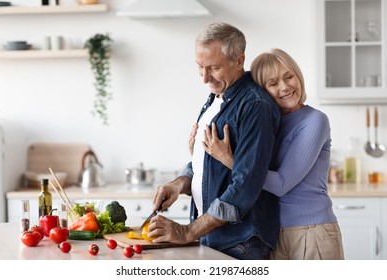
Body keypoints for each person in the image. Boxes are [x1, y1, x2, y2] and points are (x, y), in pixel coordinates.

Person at [147, 22, 281, 260]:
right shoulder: (216, 99)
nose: (205, 78)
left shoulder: (254, 106)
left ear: (239, 61)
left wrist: (187, 231)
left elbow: (246, 186)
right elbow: (206, 166)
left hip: (240, 242)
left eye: (214, 68)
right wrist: (178, 185)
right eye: (200, 67)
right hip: (212, 237)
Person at [200, 48, 344, 260]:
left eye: (289, 77)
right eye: (273, 83)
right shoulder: (271, 121)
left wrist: (228, 159)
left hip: (312, 232)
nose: (285, 87)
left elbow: (281, 183)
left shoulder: (314, 120)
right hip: (275, 234)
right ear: (263, 90)